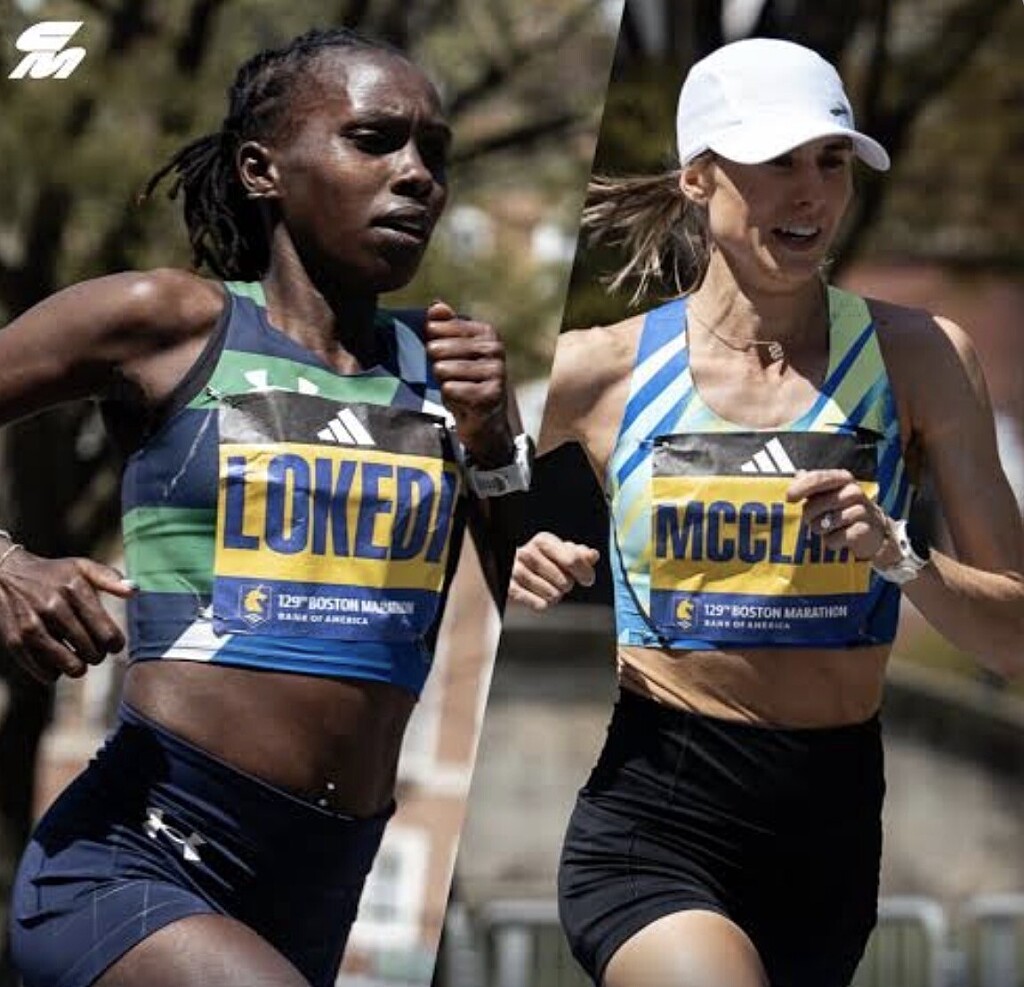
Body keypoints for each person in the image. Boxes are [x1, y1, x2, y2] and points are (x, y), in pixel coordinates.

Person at [2, 27, 529, 987]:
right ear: (262, 171)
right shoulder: (170, 323)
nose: (418, 175)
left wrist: (494, 445)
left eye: (435, 153)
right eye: (374, 139)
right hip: (141, 856)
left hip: (321, 888)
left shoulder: (446, 371)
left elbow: (528, 607)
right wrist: (7, 563)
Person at [510, 37, 1024, 987]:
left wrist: (902, 557)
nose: (812, 193)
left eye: (830, 162)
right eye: (778, 162)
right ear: (698, 177)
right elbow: (418, 497)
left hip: (830, 839)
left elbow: (1016, 636)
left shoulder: (922, 360)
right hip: (655, 818)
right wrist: (503, 556)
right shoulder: (601, 368)